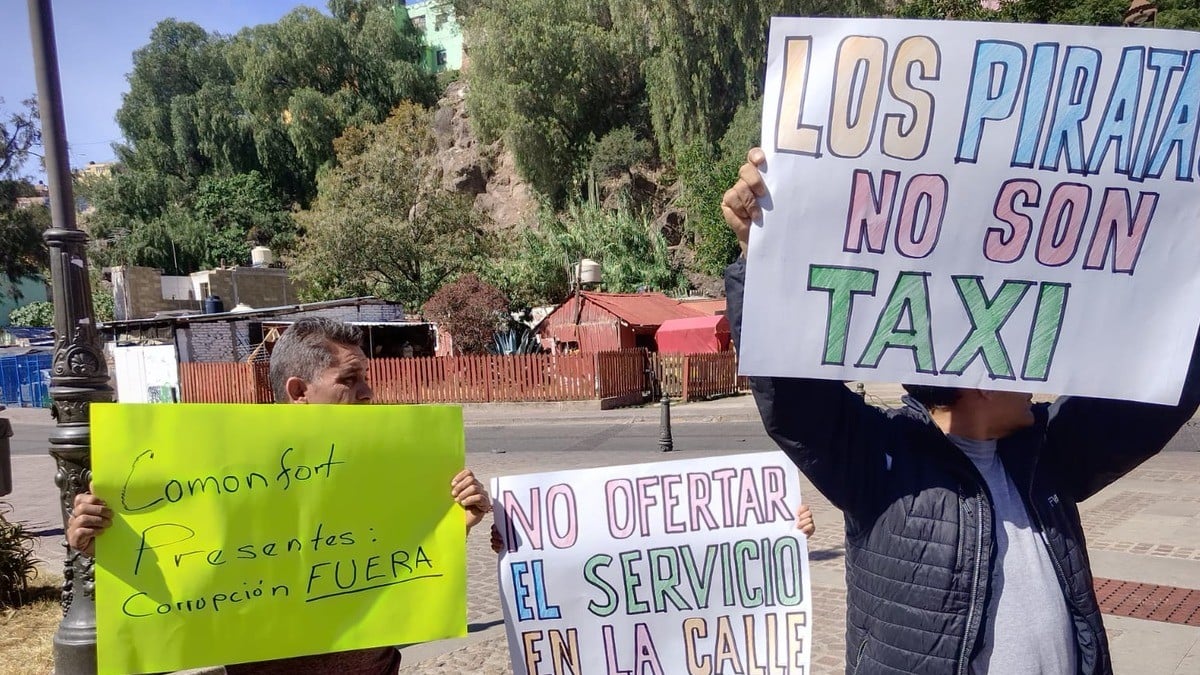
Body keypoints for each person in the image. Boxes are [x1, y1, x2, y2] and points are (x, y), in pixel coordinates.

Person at [720, 148, 1200, 675]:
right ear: (982, 378)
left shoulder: (1045, 454)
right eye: (1022, 361)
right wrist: (762, 255)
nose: (1037, 381)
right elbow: (794, 400)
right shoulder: (880, 462)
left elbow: (1155, 394)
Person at [67, 317, 490, 675]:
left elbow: (399, 565)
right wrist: (107, 542)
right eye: (349, 379)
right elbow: (182, 567)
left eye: (365, 378)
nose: (367, 392)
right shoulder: (223, 470)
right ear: (298, 391)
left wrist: (453, 524)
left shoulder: (390, 465)